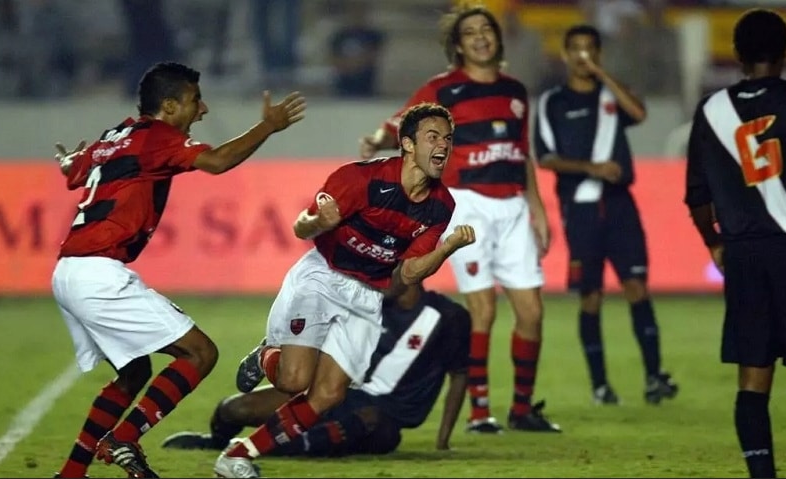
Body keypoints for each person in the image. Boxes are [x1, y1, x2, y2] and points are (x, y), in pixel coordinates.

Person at [49, 61, 306, 479]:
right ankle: (122, 440)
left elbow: (75, 171)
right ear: (169, 106)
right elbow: (219, 161)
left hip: (69, 271)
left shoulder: (119, 134)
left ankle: (72, 472)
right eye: (194, 101)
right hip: (98, 272)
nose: (201, 110)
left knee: (134, 372)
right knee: (201, 353)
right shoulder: (157, 138)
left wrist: (69, 164)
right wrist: (268, 127)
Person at [213, 102, 476, 478]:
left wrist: (447, 247)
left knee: (329, 395)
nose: (443, 146)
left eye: (448, 139)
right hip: (324, 276)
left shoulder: (440, 206)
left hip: (369, 294)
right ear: (406, 144)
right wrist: (318, 222)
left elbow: (412, 271)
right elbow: (301, 226)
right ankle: (266, 356)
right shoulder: (360, 179)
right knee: (292, 381)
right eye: (432, 137)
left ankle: (238, 455)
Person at [358, 3, 557, 434]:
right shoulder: (444, 89)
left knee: (532, 313)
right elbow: (402, 123)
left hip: (513, 209)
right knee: (482, 309)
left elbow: (524, 153)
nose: (481, 36)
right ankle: (480, 411)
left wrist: (537, 208)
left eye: (487, 29)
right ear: (459, 45)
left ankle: (522, 409)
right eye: (471, 32)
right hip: (468, 204)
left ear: (496, 38)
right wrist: (377, 138)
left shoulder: (516, 90)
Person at [685, 9, 786, 478]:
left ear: (736, 55)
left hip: (747, 255)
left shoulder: (711, 110)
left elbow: (697, 197)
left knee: (753, 377)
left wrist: (715, 243)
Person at [532, 24, 678, 406]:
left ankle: (652, 378)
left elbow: (639, 112)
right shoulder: (553, 102)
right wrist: (591, 168)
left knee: (636, 287)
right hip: (580, 209)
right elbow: (545, 157)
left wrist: (603, 76)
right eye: (576, 49)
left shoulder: (610, 96)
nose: (583, 56)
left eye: (590, 50)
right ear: (565, 55)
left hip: (619, 205)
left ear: (598, 54)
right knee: (590, 297)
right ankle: (600, 386)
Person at [162, 283, 469, 456]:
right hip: (332, 391)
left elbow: (459, 375)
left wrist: (442, 440)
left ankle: (265, 448)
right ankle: (216, 442)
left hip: (385, 415)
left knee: (375, 426)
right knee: (234, 409)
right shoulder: (365, 302)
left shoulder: (449, 317)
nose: (381, 274)